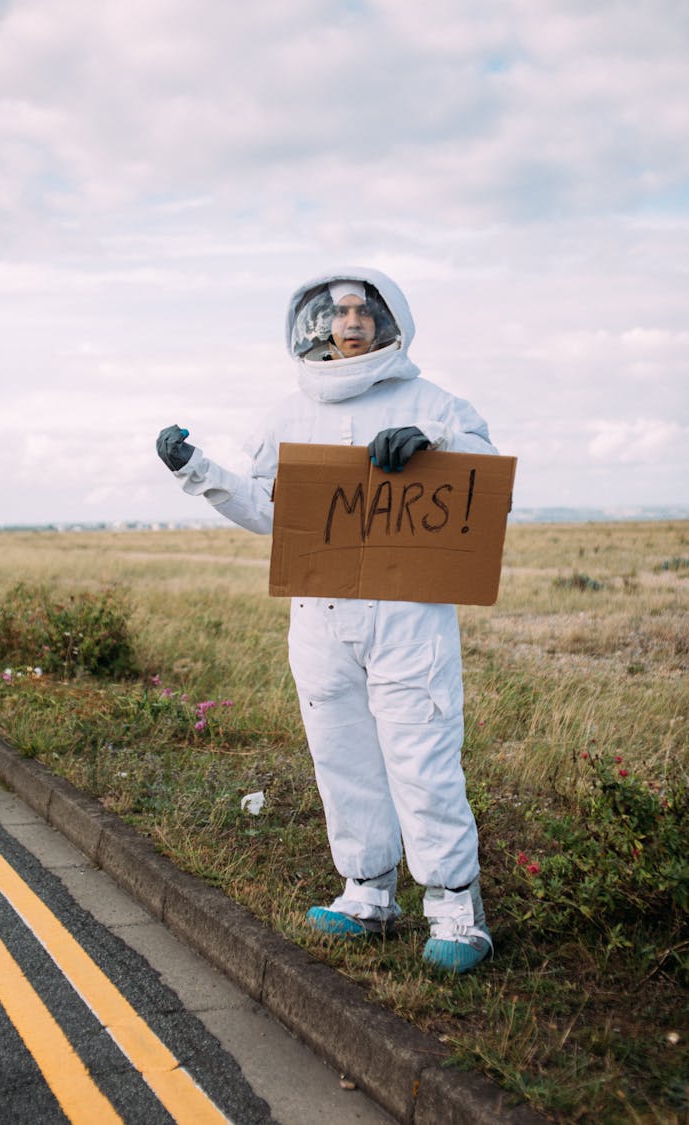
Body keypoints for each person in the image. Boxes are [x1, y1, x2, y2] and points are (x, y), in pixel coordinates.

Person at [156, 268, 496, 973]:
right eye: (338, 311)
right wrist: (194, 468)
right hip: (320, 614)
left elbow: (485, 475)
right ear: (315, 323)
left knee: (422, 757)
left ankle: (457, 910)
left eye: (364, 309)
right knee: (342, 756)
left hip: (408, 615)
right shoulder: (289, 412)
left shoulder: (432, 399)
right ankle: (367, 893)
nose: (351, 322)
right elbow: (266, 509)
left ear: (387, 319)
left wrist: (433, 441)